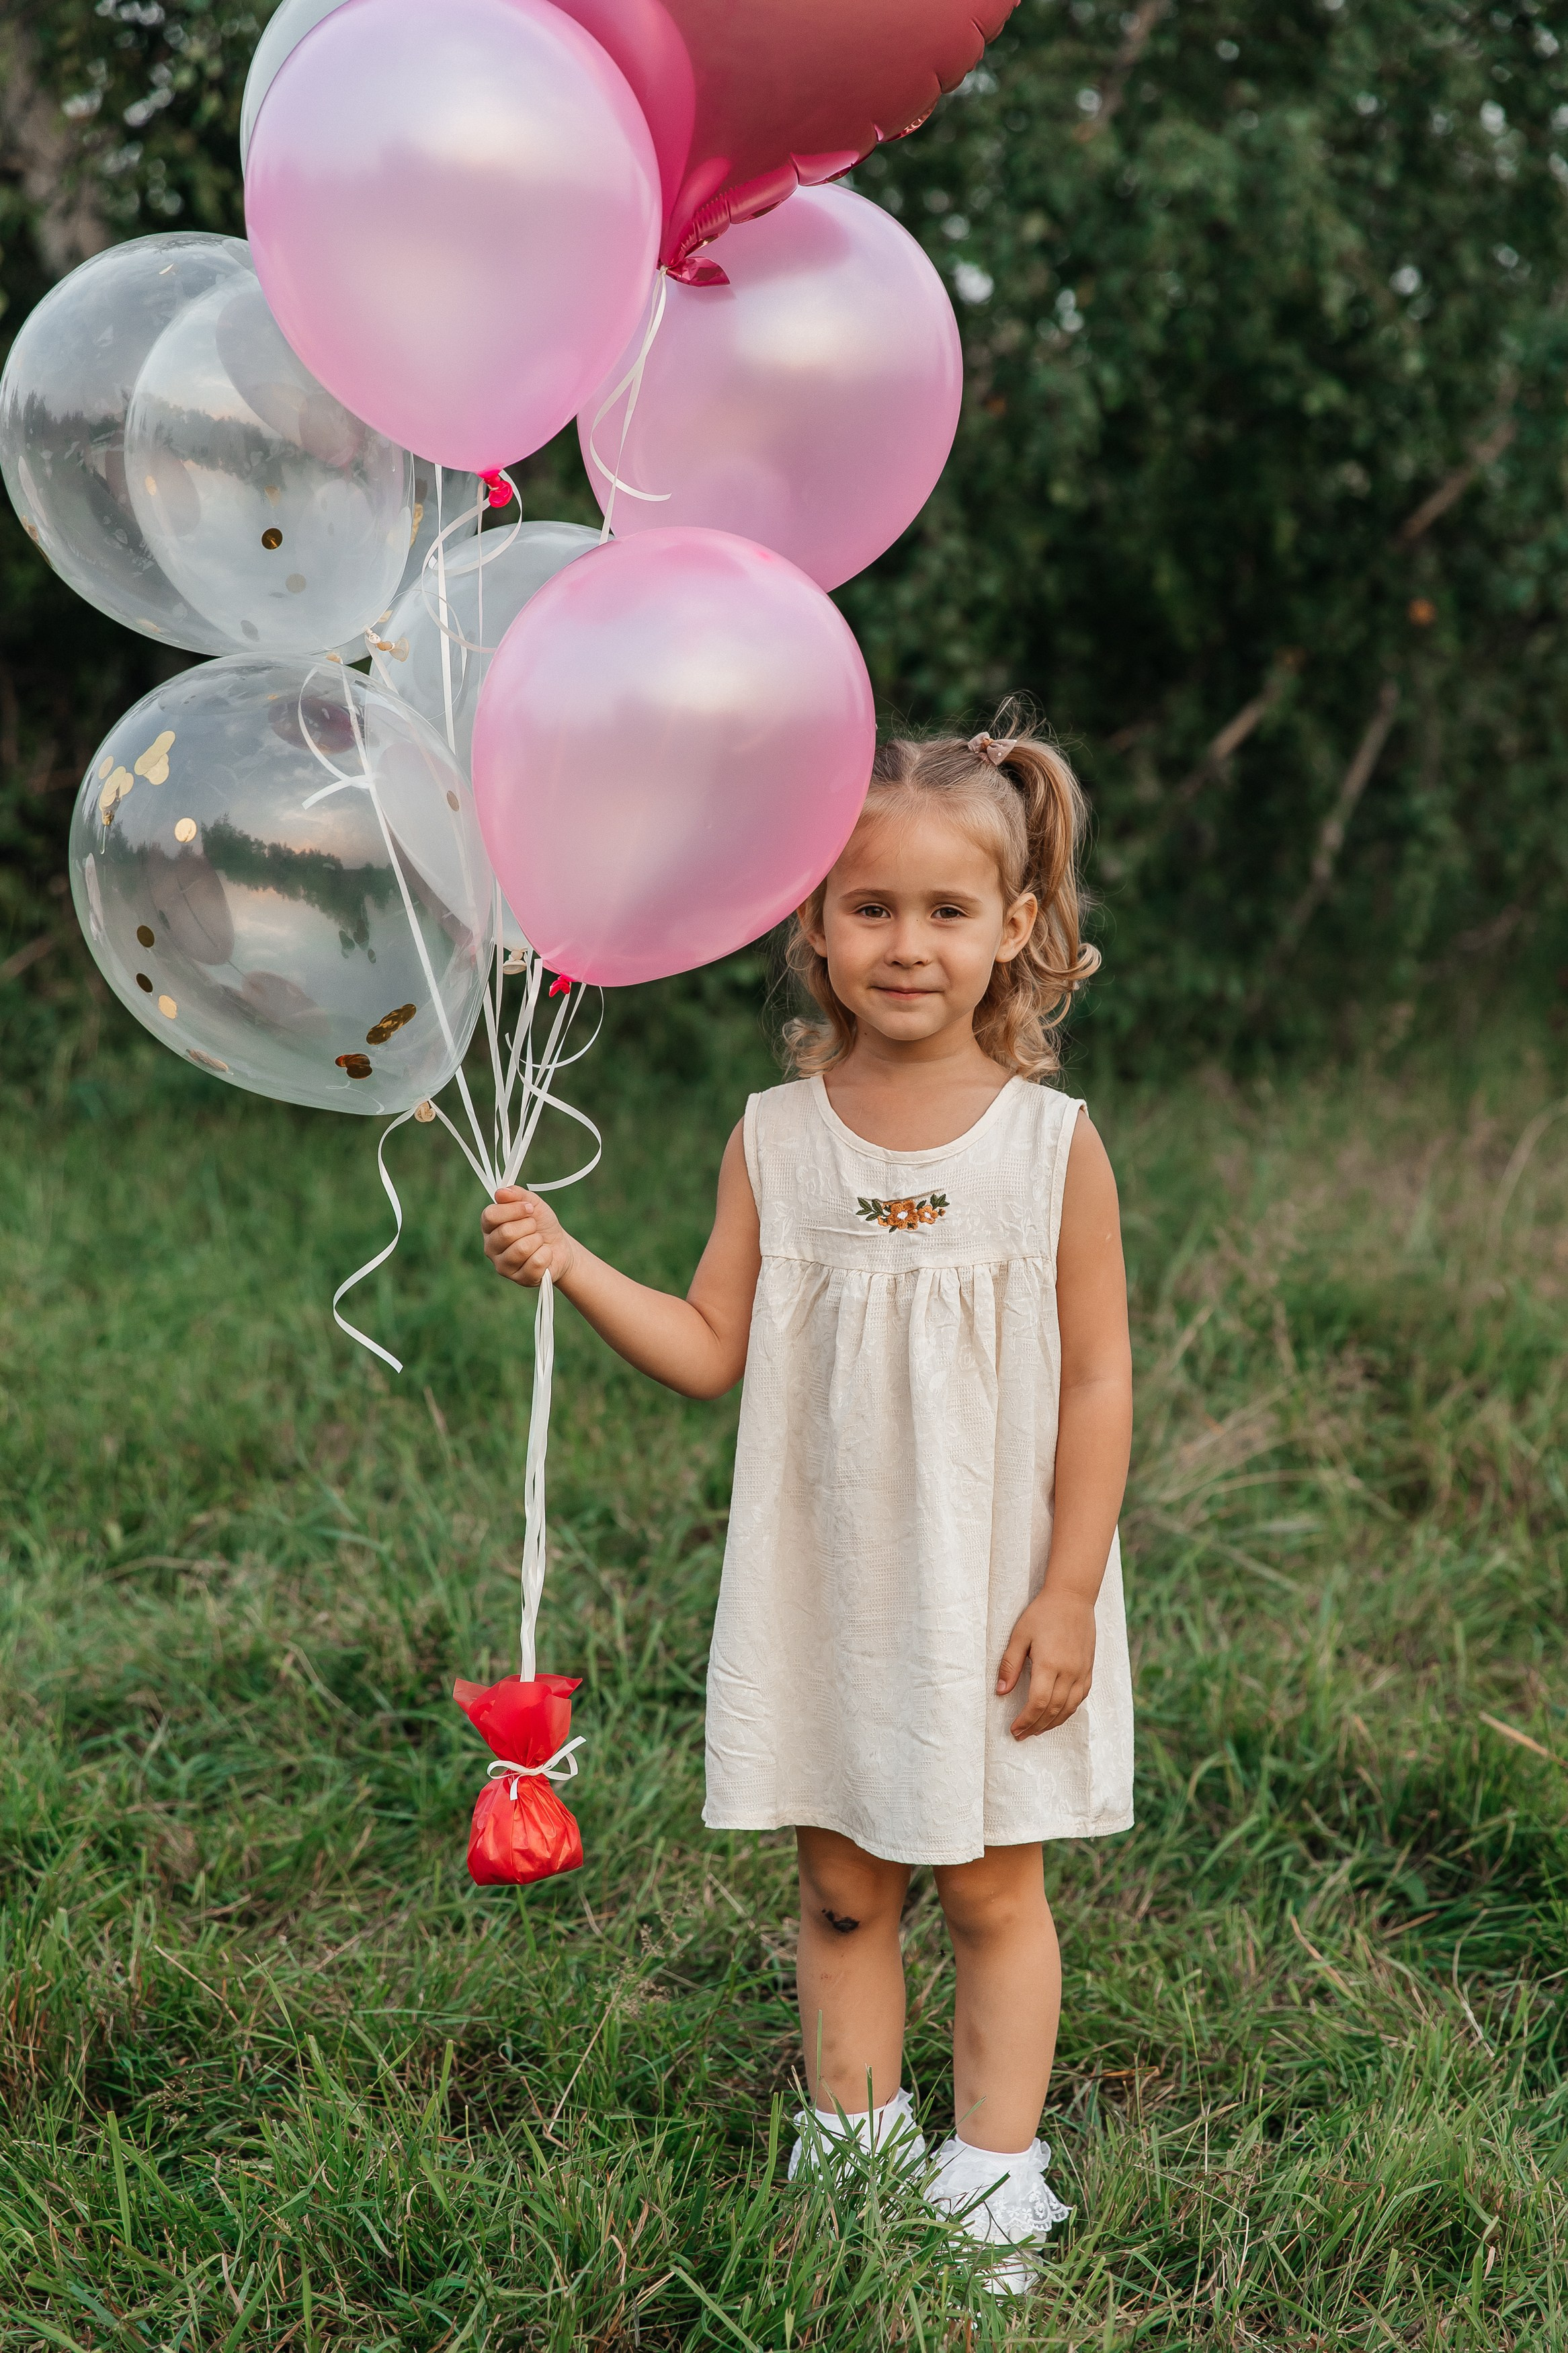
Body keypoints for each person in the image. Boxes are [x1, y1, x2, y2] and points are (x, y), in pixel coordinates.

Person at [480, 709, 1134, 2292]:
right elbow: (710, 1346)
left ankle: (994, 2183)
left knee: (991, 1888)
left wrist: (1066, 1588)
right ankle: (854, 2153)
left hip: (996, 1585)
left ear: (1015, 928)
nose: (908, 943)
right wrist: (571, 1262)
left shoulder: (1052, 1149)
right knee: (842, 1890)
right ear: (814, 928)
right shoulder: (778, 1139)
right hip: (833, 1579)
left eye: (948, 909)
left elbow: (1101, 1381)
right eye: (871, 907)